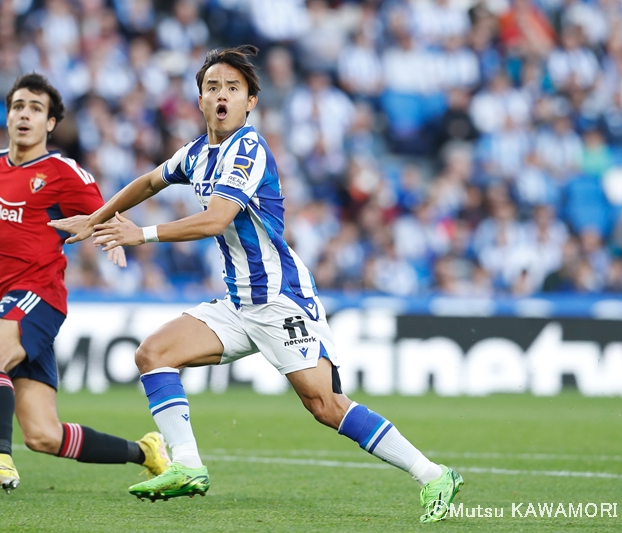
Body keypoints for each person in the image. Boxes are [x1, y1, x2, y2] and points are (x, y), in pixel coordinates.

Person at [49, 46, 463, 522]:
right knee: (153, 354)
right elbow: (148, 182)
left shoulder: (248, 149)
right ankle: (187, 465)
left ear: (250, 102)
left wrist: (139, 234)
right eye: (212, 87)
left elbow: (216, 218)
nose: (221, 95)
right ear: (200, 100)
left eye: (233, 88)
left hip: (280, 300)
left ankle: (433, 474)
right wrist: (97, 219)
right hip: (240, 302)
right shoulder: (197, 154)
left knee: (326, 405)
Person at [0, 73, 169, 493]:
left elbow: (107, 211)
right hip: (8, 301)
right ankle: (147, 453)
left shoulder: (61, 171)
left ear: (50, 124)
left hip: (40, 295)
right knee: (44, 435)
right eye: (18, 106)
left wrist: (115, 237)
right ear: (7, 115)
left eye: (36, 109)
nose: (25, 115)